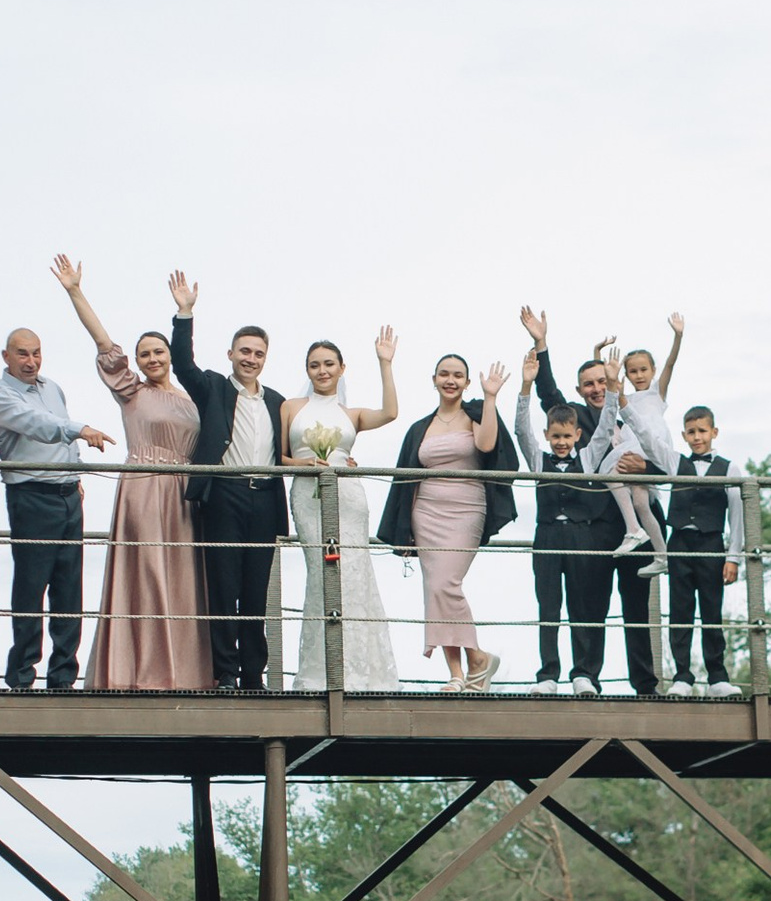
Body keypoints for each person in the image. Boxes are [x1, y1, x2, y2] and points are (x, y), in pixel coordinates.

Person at [51, 260, 208, 692]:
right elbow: (104, 342)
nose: (152, 358)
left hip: (185, 496)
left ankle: (185, 673)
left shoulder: (192, 399)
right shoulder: (132, 392)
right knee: (148, 575)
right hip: (145, 485)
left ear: (171, 357)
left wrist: (185, 313)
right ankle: (138, 670)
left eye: (159, 352)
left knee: (181, 580)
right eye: (145, 354)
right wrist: (76, 292)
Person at [519, 308, 659, 697]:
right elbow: (547, 397)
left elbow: (664, 460)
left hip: (632, 528)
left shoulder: (636, 414)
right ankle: (572, 674)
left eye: (602, 381)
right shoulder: (576, 421)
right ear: (580, 391)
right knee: (581, 607)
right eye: (589, 384)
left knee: (635, 609)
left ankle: (644, 686)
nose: (596, 388)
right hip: (588, 530)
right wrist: (541, 344)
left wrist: (645, 465)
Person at [168, 274, 290, 694]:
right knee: (224, 586)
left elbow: (292, 449)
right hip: (225, 494)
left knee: (256, 592)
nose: (251, 359)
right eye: (245, 351)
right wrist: (185, 314)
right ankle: (226, 673)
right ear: (231, 354)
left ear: (265, 359)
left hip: (265, 498)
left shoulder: (276, 401)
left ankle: (254, 674)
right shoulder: (214, 388)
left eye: (258, 353)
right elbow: (182, 365)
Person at [0, 322, 115, 694]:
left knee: (68, 587)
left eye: (36, 352)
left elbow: (59, 433)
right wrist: (79, 429)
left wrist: (75, 475)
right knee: (31, 587)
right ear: (6, 357)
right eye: (23, 353)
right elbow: (39, 425)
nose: (31, 361)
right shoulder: (1, 396)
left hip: (66, 494)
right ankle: (22, 677)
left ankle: (63, 678)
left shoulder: (53, 388)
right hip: (31, 495)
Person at [376, 351, 518, 686]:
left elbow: (487, 446)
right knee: (435, 590)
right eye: (444, 374)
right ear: (434, 379)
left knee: (446, 584)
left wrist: (490, 398)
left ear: (467, 382)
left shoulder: (474, 416)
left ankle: (477, 659)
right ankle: (458, 673)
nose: (450, 380)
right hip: (425, 513)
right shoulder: (420, 428)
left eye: (457, 375)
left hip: (467, 510)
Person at [283, 330, 400, 691]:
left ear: (341, 368)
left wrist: (385, 363)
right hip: (308, 492)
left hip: (348, 496)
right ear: (307, 370)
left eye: (329, 364)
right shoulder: (291, 407)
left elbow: (391, 413)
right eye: (315, 365)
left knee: (354, 575)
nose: (322, 371)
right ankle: (322, 671)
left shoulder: (351, 414)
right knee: (321, 575)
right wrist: (303, 466)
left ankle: (361, 671)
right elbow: (279, 458)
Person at [513, 340, 624, 692]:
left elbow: (607, 426)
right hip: (546, 537)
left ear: (577, 435)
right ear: (547, 436)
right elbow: (520, 430)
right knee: (548, 605)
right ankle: (548, 674)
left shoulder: (588, 458)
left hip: (582, 536)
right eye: (555, 437)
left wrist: (613, 385)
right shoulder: (538, 459)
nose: (561, 443)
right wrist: (526, 387)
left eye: (566, 437)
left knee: (585, 605)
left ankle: (585, 674)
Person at [591, 319, 685, 565]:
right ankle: (661, 555)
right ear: (627, 374)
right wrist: (597, 353)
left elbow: (671, 363)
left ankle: (633, 528)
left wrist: (678, 336)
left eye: (644, 370)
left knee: (610, 471)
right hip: (633, 443)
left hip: (650, 441)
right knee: (641, 502)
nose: (639, 375)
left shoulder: (657, 393)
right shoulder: (626, 397)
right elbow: (605, 382)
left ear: (652, 370)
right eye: (633, 371)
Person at [666, 403, 742, 691]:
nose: (697, 437)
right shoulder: (675, 463)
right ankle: (682, 676)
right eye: (691, 432)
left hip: (711, 544)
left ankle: (718, 677)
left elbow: (736, 516)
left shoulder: (729, 467)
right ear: (684, 435)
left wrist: (733, 557)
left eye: (702, 431)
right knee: (680, 610)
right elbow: (649, 438)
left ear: (714, 432)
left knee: (712, 610)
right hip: (680, 543)